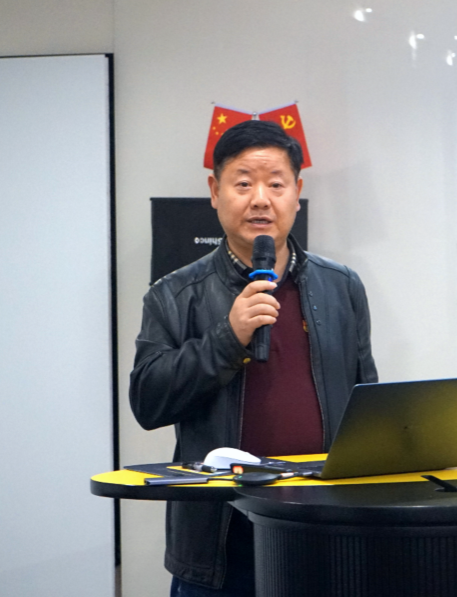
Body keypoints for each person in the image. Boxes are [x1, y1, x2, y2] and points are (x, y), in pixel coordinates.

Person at [129, 119, 378, 596]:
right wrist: (229, 337)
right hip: (222, 541)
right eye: (243, 184)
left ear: (297, 193)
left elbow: (367, 404)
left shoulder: (342, 286)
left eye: (276, 184)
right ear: (214, 191)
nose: (260, 199)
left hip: (325, 529)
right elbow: (148, 402)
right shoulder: (174, 295)